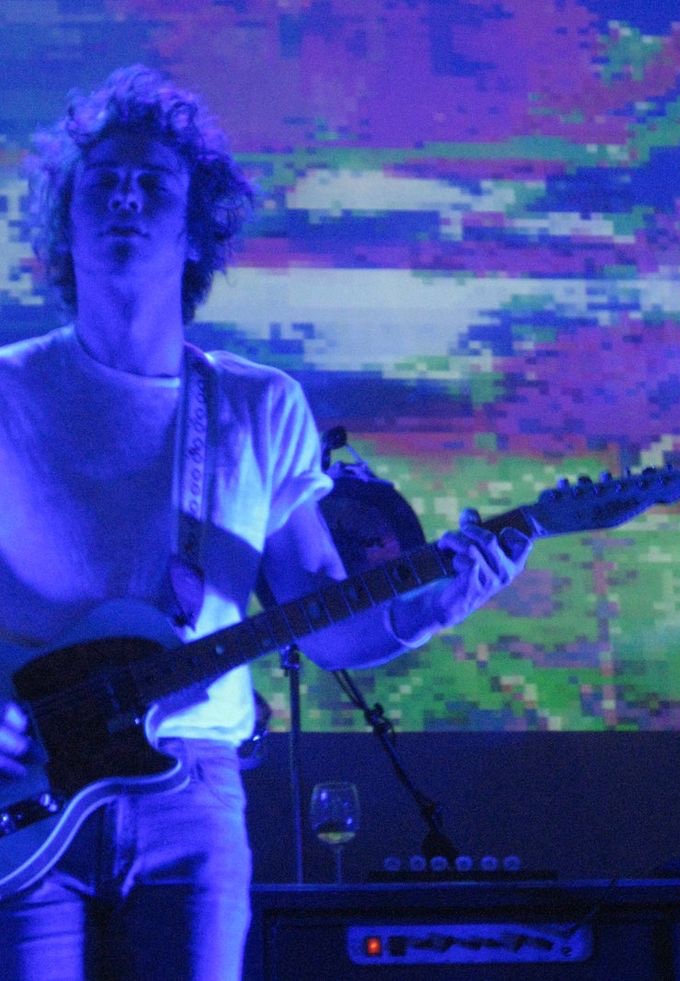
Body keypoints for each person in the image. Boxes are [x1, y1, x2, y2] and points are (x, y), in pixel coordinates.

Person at [0, 66, 531, 980]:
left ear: (195, 229)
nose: (125, 197)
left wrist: (435, 606)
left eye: (153, 183)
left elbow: (323, 617)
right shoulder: (7, 388)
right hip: (23, 782)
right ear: (64, 222)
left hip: (193, 789)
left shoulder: (257, 405)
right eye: (102, 181)